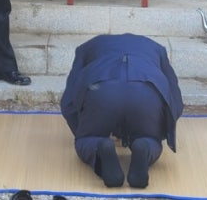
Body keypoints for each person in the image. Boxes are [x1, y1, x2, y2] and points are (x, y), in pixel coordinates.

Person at [60, 33, 184, 189]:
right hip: (148, 90)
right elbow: (175, 96)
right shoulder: (158, 49)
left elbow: (69, 101)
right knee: (150, 138)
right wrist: (161, 130)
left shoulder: (85, 48)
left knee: (88, 138)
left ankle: (99, 145)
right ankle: (144, 146)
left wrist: (82, 130)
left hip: (101, 88)